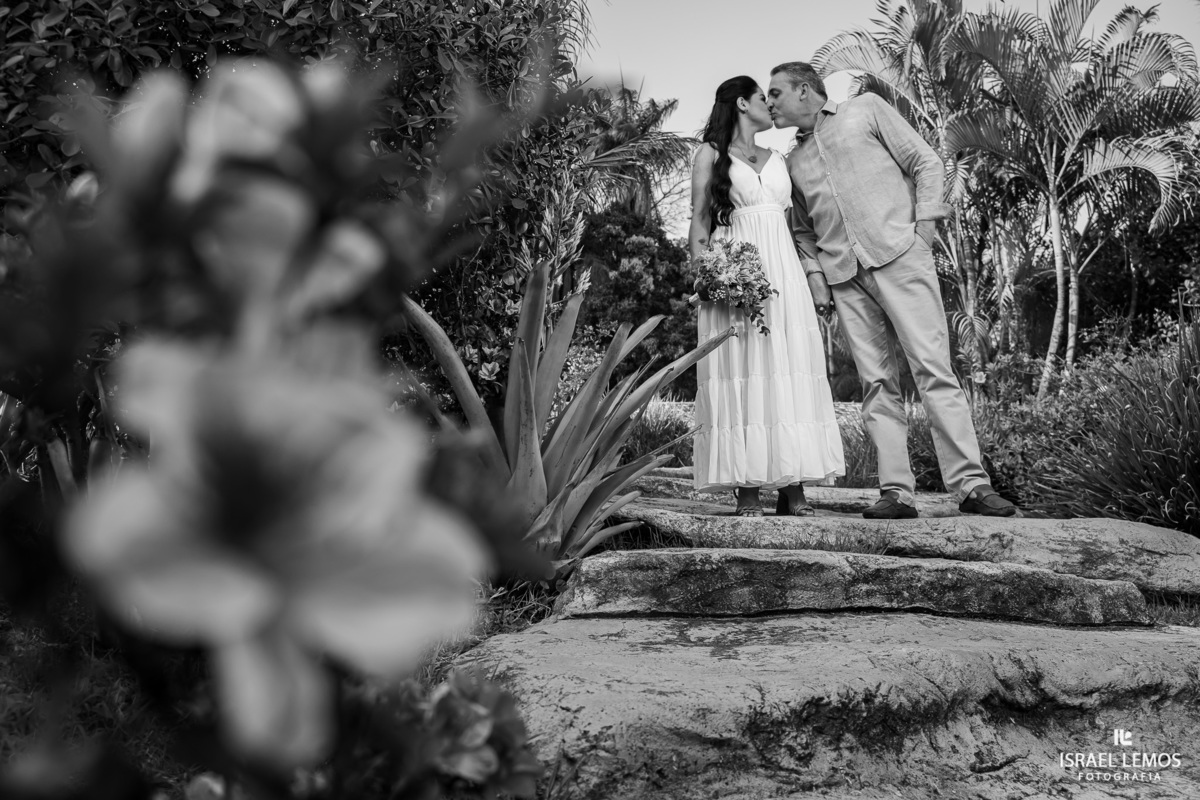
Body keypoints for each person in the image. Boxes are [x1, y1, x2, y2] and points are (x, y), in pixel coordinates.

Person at [766, 61, 1016, 519]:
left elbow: (926, 161)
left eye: (776, 93)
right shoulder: (792, 161)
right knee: (877, 384)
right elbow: (801, 229)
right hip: (845, 277)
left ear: (805, 90)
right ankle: (897, 493)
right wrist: (818, 277)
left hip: (901, 255)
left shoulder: (866, 109)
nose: (770, 103)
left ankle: (972, 487)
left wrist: (922, 234)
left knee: (933, 370)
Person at [688, 76, 845, 517]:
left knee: (790, 368)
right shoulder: (711, 156)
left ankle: (794, 487)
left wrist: (816, 277)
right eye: (764, 97)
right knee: (745, 371)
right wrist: (711, 279)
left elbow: (799, 224)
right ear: (742, 103)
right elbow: (699, 227)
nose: (770, 104)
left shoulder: (781, 158)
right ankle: (748, 489)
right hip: (735, 280)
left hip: (784, 277)